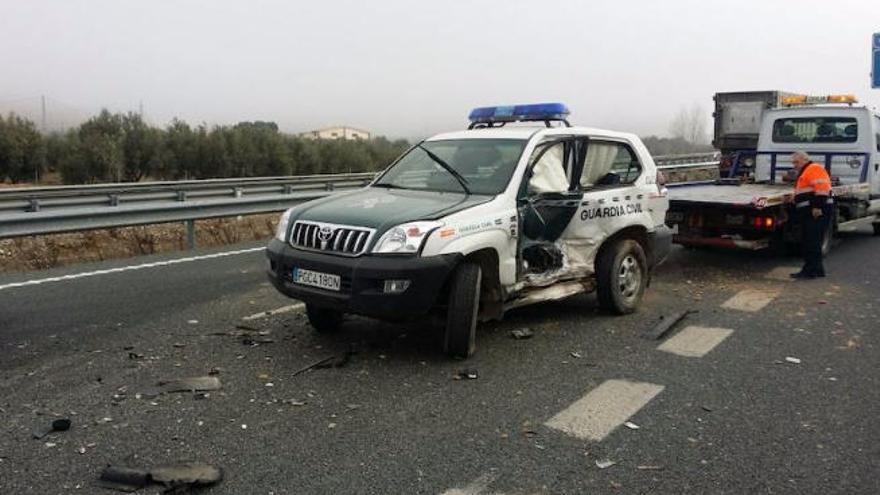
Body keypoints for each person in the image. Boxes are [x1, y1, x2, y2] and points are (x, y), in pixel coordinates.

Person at [789, 151, 832, 279]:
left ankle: (809, 271)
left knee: (811, 241)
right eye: (793, 163)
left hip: (816, 211)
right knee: (814, 241)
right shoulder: (808, 170)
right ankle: (818, 269)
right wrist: (795, 197)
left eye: (796, 162)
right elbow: (808, 189)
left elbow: (822, 189)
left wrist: (817, 207)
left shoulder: (813, 169)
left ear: (804, 160)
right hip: (812, 211)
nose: (794, 165)